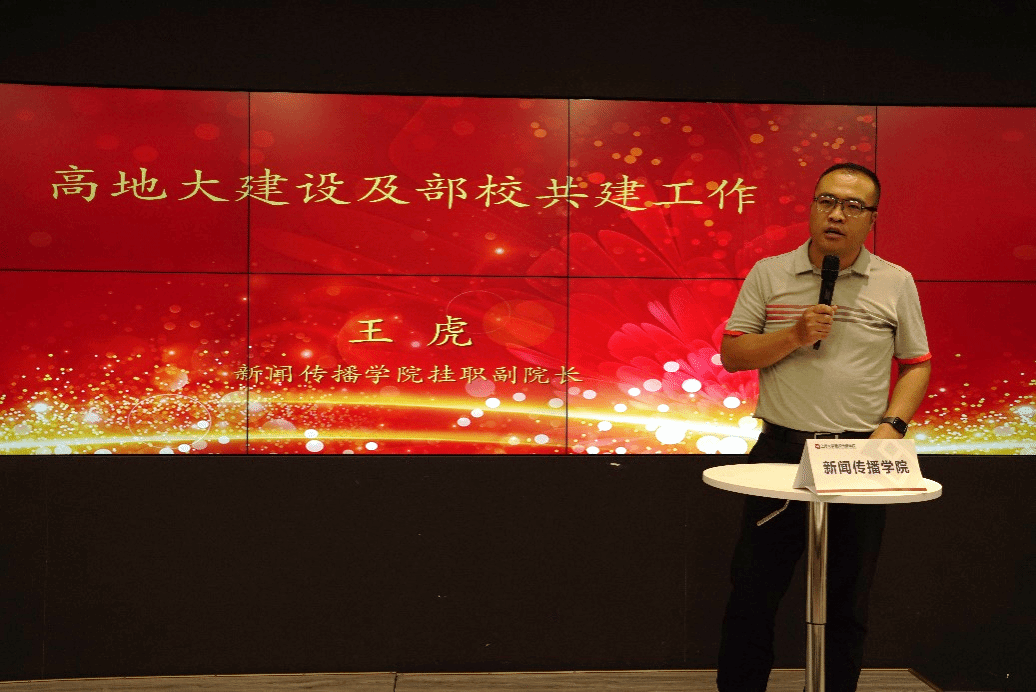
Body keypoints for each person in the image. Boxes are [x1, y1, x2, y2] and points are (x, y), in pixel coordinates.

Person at [716, 162, 932, 692]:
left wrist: (892, 427)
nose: (837, 214)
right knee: (753, 592)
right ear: (812, 207)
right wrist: (793, 335)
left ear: (872, 219)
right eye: (827, 201)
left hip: (859, 457)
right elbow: (733, 354)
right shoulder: (769, 273)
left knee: (848, 597)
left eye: (854, 206)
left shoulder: (895, 281)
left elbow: (916, 364)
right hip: (780, 451)